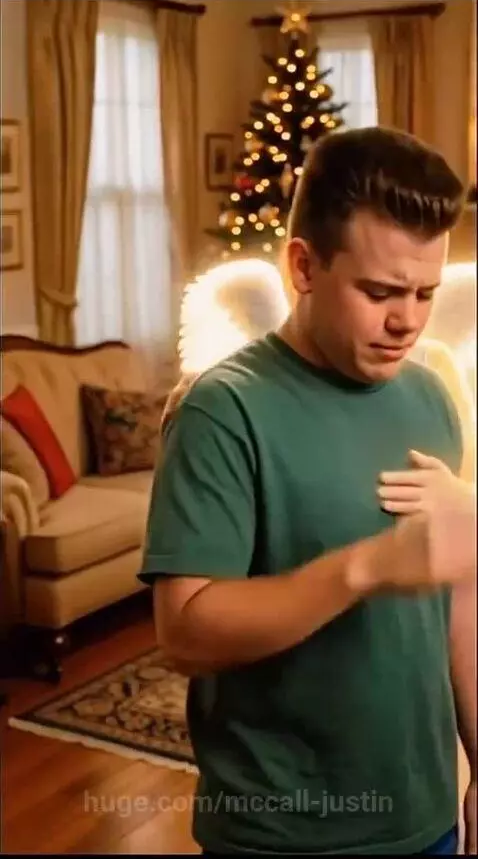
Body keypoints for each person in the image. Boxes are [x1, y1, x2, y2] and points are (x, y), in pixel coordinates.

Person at [138, 127, 476, 856]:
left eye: (425, 292)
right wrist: (369, 565)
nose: (407, 320)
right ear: (303, 265)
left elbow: (458, 597)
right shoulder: (222, 411)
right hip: (281, 836)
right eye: (380, 291)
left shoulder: (432, 395)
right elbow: (185, 633)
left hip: (427, 822)